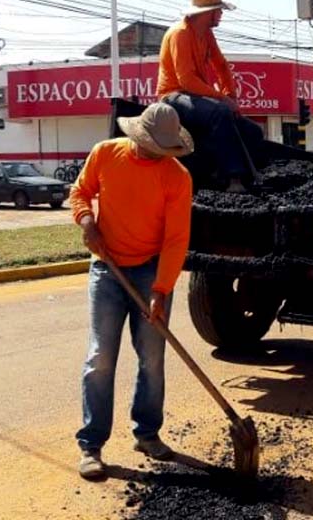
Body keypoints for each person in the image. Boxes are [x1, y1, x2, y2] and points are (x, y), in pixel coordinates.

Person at [69, 103, 194, 480]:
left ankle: (148, 433)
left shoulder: (177, 177)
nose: (153, 153)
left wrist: (161, 288)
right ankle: (91, 445)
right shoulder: (106, 154)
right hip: (107, 269)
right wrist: (87, 220)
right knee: (100, 358)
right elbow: (80, 192)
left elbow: (176, 240)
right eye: (149, 145)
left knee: (152, 358)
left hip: (150, 270)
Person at [158, 0, 263, 193]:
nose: (221, 15)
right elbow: (186, 81)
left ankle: (243, 175)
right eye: (219, 10)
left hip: (196, 97)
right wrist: (223, 99)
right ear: (208, 13)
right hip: (173, 96)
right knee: (221, 111)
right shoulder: (180, 34)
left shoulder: (206, 34)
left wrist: (231, 96)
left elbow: (222, 66)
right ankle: (233, 177)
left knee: (253, 131)